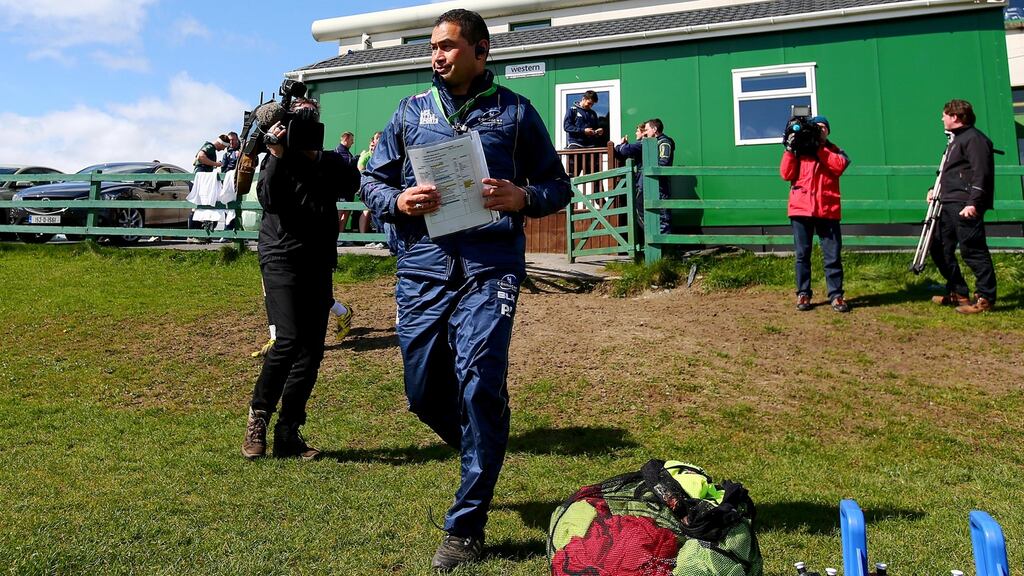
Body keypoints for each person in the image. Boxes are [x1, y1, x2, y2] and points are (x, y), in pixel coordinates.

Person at [361, 8, 571, 570]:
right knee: (422, 391)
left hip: (490, 268)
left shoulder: (516, 112)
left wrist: (523, 197)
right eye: (433, 46)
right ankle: (485, 439)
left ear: (481, 51)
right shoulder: (411, 111)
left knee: (479, 382)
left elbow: (557, 185)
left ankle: (466, 525)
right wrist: (397, 201)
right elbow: (372, 181)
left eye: (448, 46)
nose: (437, 55)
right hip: (423, 269)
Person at [241, 97, 360, 461]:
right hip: (281, 257)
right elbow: (270, 200)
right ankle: (258, 416)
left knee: (311, 351)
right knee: (288, 340)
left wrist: (317, 156)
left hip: (318, 260)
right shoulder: (275, 160)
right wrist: (278, 154)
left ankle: (288, 433)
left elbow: (351, 184)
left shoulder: (327, 161)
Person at [927, 99, 997, 314]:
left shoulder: (974, 139)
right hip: (948, 202)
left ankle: (985, 297)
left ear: (955, 117)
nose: (942, 118)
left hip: (965, 203)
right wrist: (934, 189)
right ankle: (958, 292)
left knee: (972, 250)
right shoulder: (956, 139)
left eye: (944, 115)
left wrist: (973, 203)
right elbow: (950, 172)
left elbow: (981, 173)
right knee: (938, 246)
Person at [779, 115, 851, 313]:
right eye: (817, 127)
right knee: (802, 255)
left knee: (832, 256)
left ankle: (836, 296)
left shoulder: (834, 150)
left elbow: (839, 166)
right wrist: (790, 150)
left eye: (823, 127)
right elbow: (786, 174)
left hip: (828, 210)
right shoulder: (799, 150)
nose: (820, 130)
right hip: (801, 209)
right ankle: (803, 293)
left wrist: (819, 147)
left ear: (828, 131)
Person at [613, 119, 674, 233]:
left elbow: (664, 162)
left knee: (662, 214)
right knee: (646, 211)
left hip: (659, 183)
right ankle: (654, 237)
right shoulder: (651, 142)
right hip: (648, 183)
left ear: (654, 129)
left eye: (646, 129)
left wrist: (648, 171)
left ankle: (664, 241)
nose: (645, 132)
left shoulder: (664, 142)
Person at [562, 90, 605, 177]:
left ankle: (596, 186)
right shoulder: (572, 110)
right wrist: (583, 131)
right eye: (589, 103)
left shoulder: (593, 113)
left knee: (595, 176)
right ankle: (570, 186)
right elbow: (567, 127)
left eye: (592, 104)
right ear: (583, 99)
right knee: (572, 177)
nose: (590, 106)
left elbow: (595, 129)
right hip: (576, 146)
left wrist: (598, 132)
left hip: (591, 147)